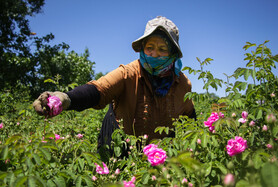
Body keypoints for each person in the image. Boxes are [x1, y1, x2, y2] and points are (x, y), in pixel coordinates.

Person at [33, 16, 196, 158]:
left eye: (162, 49)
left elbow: (190, 117)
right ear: (143, 49)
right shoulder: (129, 73)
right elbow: (97, 90)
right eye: (150, 48)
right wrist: (64, 98)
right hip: (119, 147)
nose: (154, 54)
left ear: (173, 54)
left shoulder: (181, 84)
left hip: (158, 156)